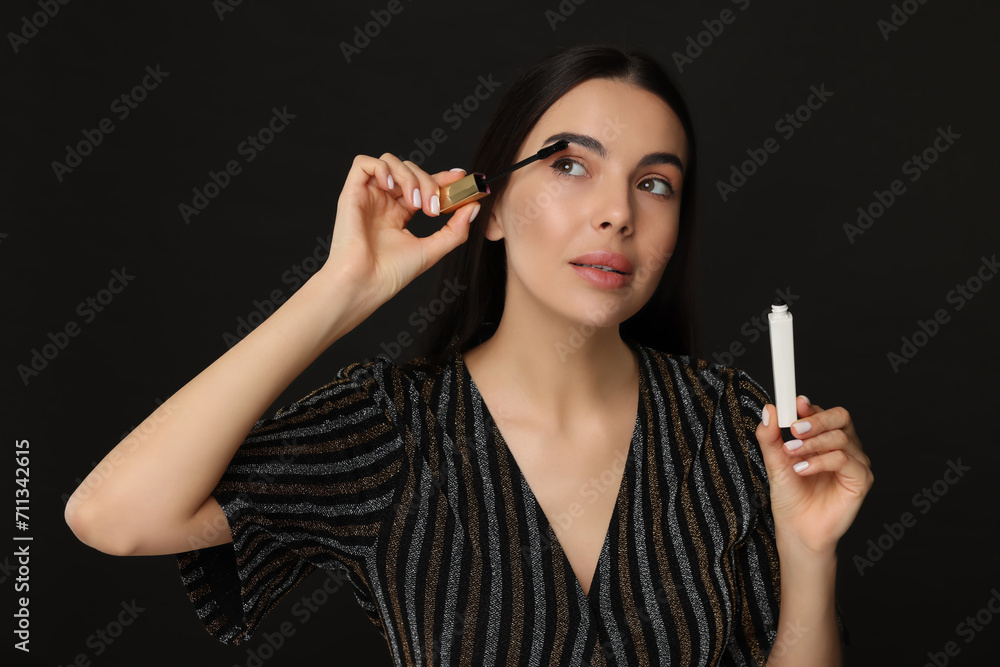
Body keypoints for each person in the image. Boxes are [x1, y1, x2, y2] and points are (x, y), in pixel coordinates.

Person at [65, 43, 873, 665]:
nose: (616, 213)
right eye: (569, 164)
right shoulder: (389, 430)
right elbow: (113, 514)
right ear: (488, 208)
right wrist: (340, 287)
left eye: (654, 183)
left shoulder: (733, 424)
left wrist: (808, 551)